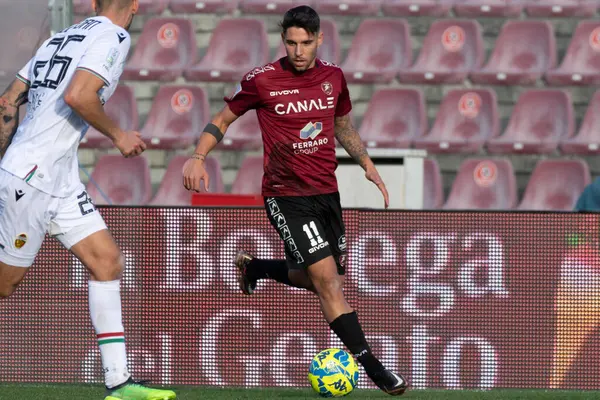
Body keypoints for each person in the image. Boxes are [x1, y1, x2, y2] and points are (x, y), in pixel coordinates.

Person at [182, 5, 408, 396]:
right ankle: (373, 367)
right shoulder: (262, 80)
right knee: (327, 283)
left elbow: (341, 124)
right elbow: (222, 120)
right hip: (286, 195)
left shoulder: (333, 77)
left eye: (305, 42)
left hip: (326, 193)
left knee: (321, 278)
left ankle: (256, 268)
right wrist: (198, 156)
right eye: (291, 42)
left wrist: (367, 164)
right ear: (283, 40)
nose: (298, 51)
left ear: (319, 39)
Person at [0, 0, 176, 399]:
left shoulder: (58, 38)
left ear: (94, 3)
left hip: (56, 177)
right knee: (4, 286)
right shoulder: (114, 36)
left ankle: (119, 383)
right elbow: (81, 95)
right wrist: (119, 135)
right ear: (133, 5)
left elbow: (9, 100)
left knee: (107, 261)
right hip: (34, 178)